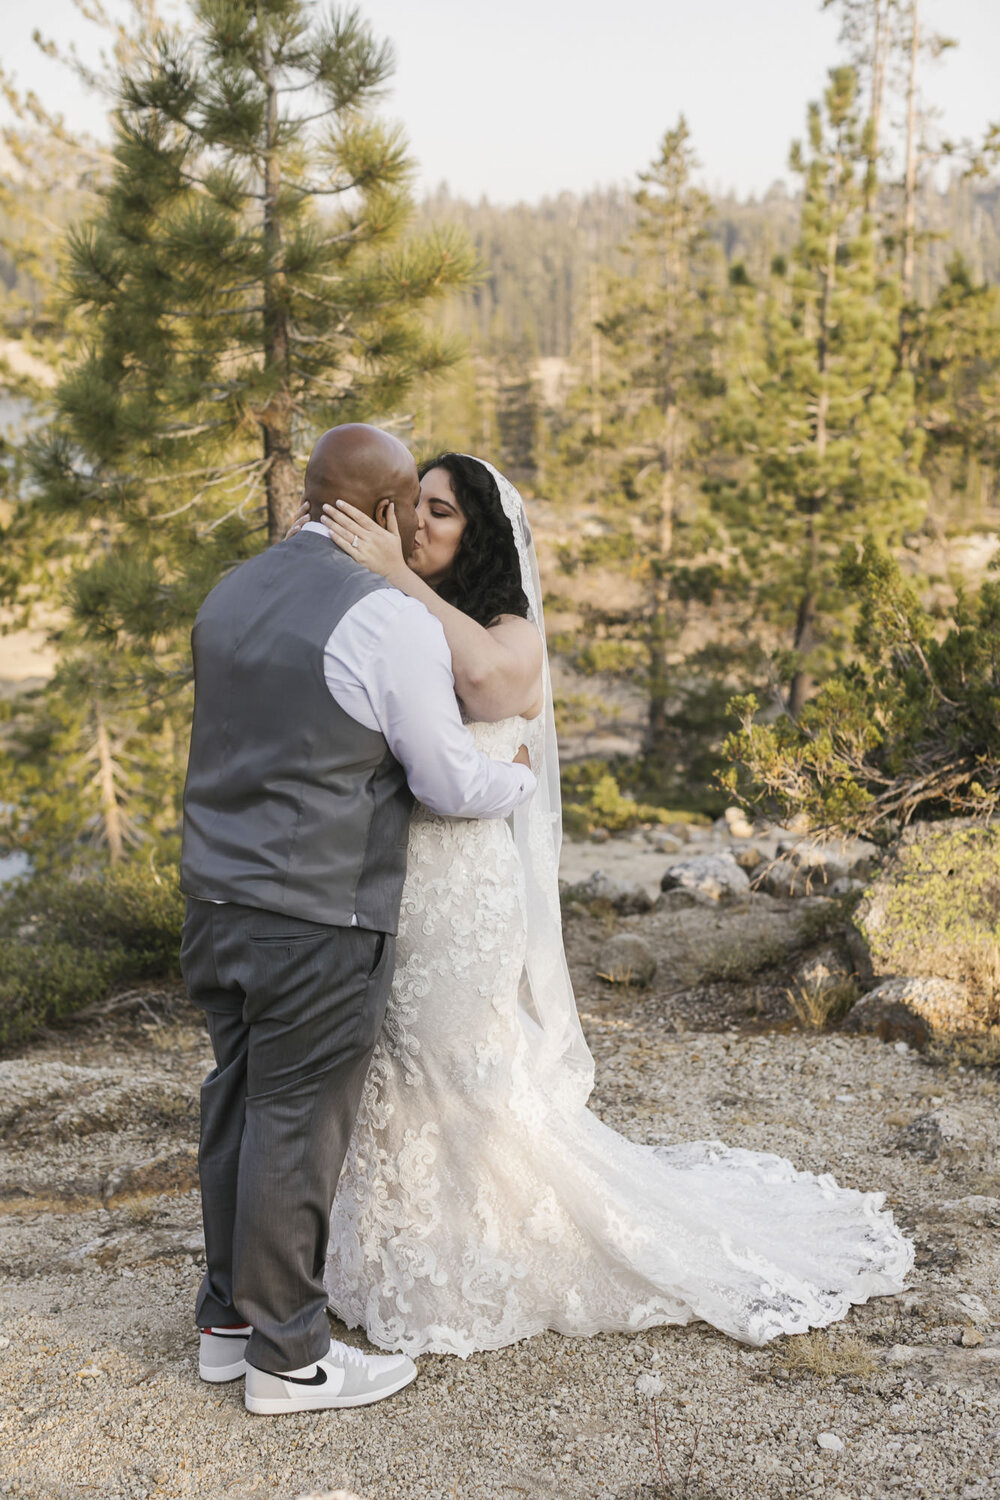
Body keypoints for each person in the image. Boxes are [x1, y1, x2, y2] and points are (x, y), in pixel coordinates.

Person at [289, 452, 914, 1357]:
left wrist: (392, 574)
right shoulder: (388, 618)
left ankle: (484, 1253)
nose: (417, 525)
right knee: (395, 1064)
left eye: (440, 512)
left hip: (463, 886)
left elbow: (496, 688)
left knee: (459, 1062)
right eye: (409, 507)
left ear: (481, 536)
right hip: (389, 880)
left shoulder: (506, 624)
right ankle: (390, 1254)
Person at [178, 427, 537, 1414]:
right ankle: (290, 1356)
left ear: (307, 495)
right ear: (381, 511)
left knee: (237, 1105)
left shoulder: (232, 593)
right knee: (294, 1122)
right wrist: (510, 781)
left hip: (214, 899)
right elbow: (441, 778)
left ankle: (227, 1323)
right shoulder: (385, 618)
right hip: (316, 908)